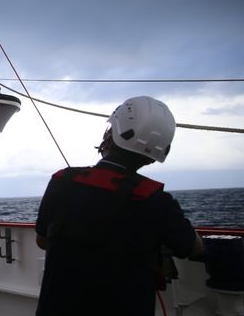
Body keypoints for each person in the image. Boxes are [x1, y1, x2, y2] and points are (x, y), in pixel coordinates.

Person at [35, 96, 203, 316]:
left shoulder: (62, 181)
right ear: (154, 156)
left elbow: (42, 240)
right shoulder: (156, 201)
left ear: (110, 133)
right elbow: (193, 247)